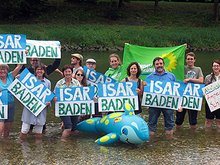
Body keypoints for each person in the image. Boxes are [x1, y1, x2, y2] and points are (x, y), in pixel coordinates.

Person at [19, 64, 51, 141]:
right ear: (35, 71)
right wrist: (18, 79)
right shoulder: (29, 80)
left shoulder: (48, 82)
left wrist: (48, 102)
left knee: (39, 131)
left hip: (41, 109)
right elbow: (21, 91)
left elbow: (49, 95)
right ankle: (23, 147)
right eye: (38, 69)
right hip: (29, 108)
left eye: (41, 69)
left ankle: (38, 149)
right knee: (24, 130)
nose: (39, 71)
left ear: (44, 71)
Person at [145, 57, 176, 137]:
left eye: (161, 64)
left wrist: (178, 104)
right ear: (154, 66)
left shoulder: (171, 76)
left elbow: (176, 91)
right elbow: (146, 92)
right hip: (154, 105)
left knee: (169, 124)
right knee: (151, 125)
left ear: (163, 64)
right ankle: (151, 144)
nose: (159, 65)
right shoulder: (149, 78)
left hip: (168, 104)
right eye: (157, 64)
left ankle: (168, 144)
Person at [175, 52, 204, 129]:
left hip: (193, 97)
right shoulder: (182, 68)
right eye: (188, 59)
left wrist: (190, 79)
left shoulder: (198, 69)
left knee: (193, 120)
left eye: (191, 59)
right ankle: (178, 134)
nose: (190, 60)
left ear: (194, 60)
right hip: (182, 96)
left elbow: (201, 81)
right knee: (179, 119)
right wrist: (181, 50)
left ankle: (193, 135)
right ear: (185, 60)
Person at [54, 65, 81, 140]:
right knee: (69, 127)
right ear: (63, 73)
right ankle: (63, 142)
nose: (67, 73)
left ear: (72, 73)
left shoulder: (76, 83)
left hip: (74, 108)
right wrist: (55, 98)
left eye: (69, 71)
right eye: (66, 71)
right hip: (63, 109)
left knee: (73, 128)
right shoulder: (59, 83)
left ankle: (70, 144)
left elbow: (81, 95)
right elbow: (54, 95)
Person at [0, 64, 23, 138]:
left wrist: (23, 54)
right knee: (1, 126)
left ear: (7, 70)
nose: (2, 71)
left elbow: (19, 66)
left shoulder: (10, 76)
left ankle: (5, 143)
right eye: (0, 69)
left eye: (4, 69)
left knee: (8, 127)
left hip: (11, 104)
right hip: (1, 105)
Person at [204, 59, 220, 130]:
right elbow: (205, 89)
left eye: (217, 66)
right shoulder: (208, 77)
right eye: (214, 66)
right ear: (212, 67)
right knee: (208, 120)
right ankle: (207, 136)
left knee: (219, 120)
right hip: (210, 102)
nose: (216, 67)